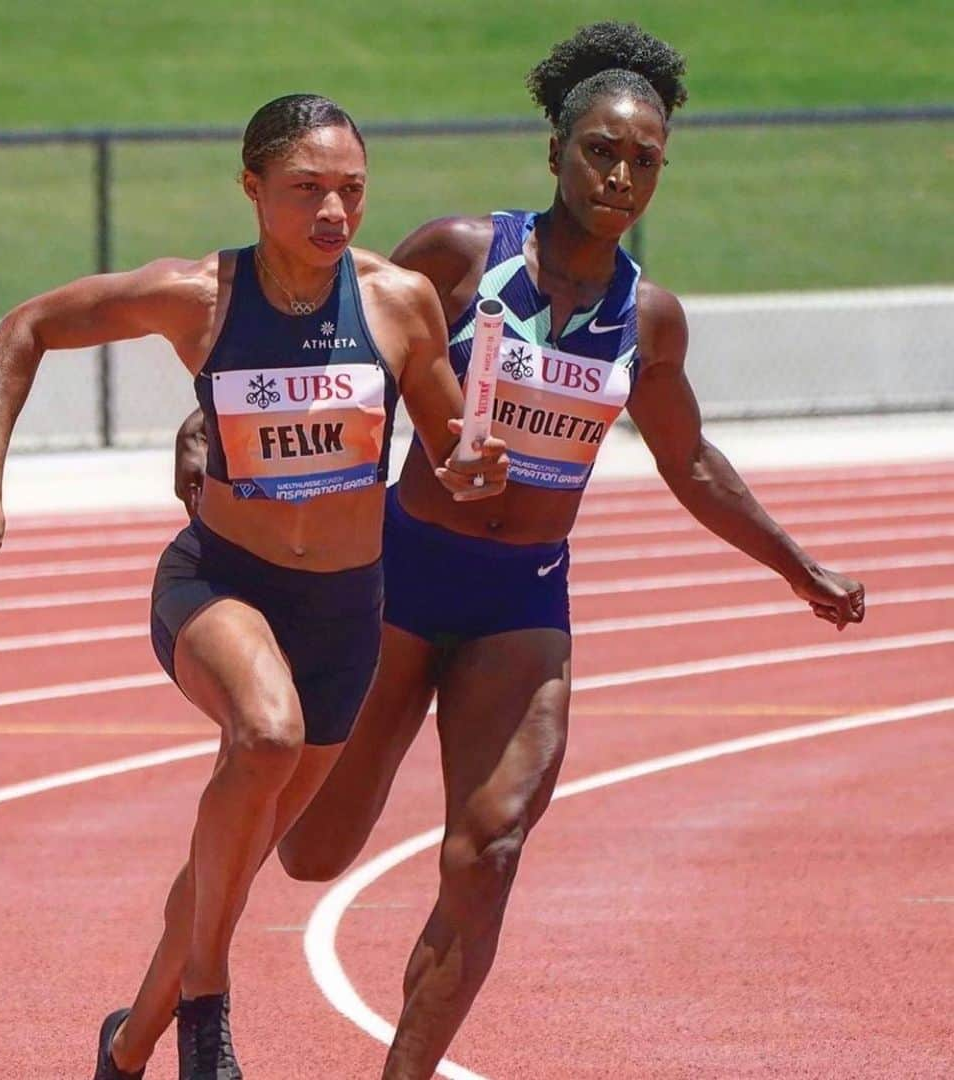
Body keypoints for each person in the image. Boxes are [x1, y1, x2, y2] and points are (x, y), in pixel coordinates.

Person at [177, 24, 867, 1080]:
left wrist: (794, 562)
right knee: (311, 851)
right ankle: (175, 998)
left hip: (522, 606)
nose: (621, 175)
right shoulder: (460, 255)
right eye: (600, 150)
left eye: (644, 159)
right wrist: (204, 417)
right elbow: (322, 327)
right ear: (555, 152)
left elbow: (690, 462)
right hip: (395, 584)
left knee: (489, 848)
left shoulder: (652, 321)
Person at [0, 93, 508, 1080]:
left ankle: (126, 1051)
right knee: (265, 732)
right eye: (307, 191)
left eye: (352, 191)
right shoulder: (198, 297)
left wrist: (473, 462)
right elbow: (26, 326)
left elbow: (449, 435)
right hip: (220, 585)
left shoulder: (398, 303)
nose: (333, 211)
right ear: (252, 189)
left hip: (343, 618)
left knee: (229, 863)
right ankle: (210, 1004)